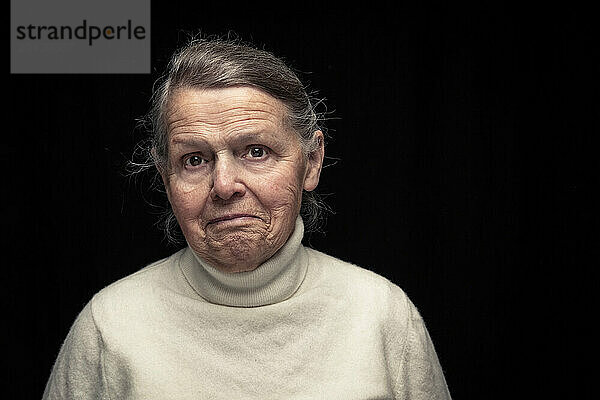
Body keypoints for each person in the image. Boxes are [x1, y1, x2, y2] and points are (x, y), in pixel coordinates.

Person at [43, 37, 452, 399]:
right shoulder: (109, 326)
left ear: (311, 162)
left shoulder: (382, 315)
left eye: (255, 151)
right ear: (167, 180)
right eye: (195, 159)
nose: (224, 185)